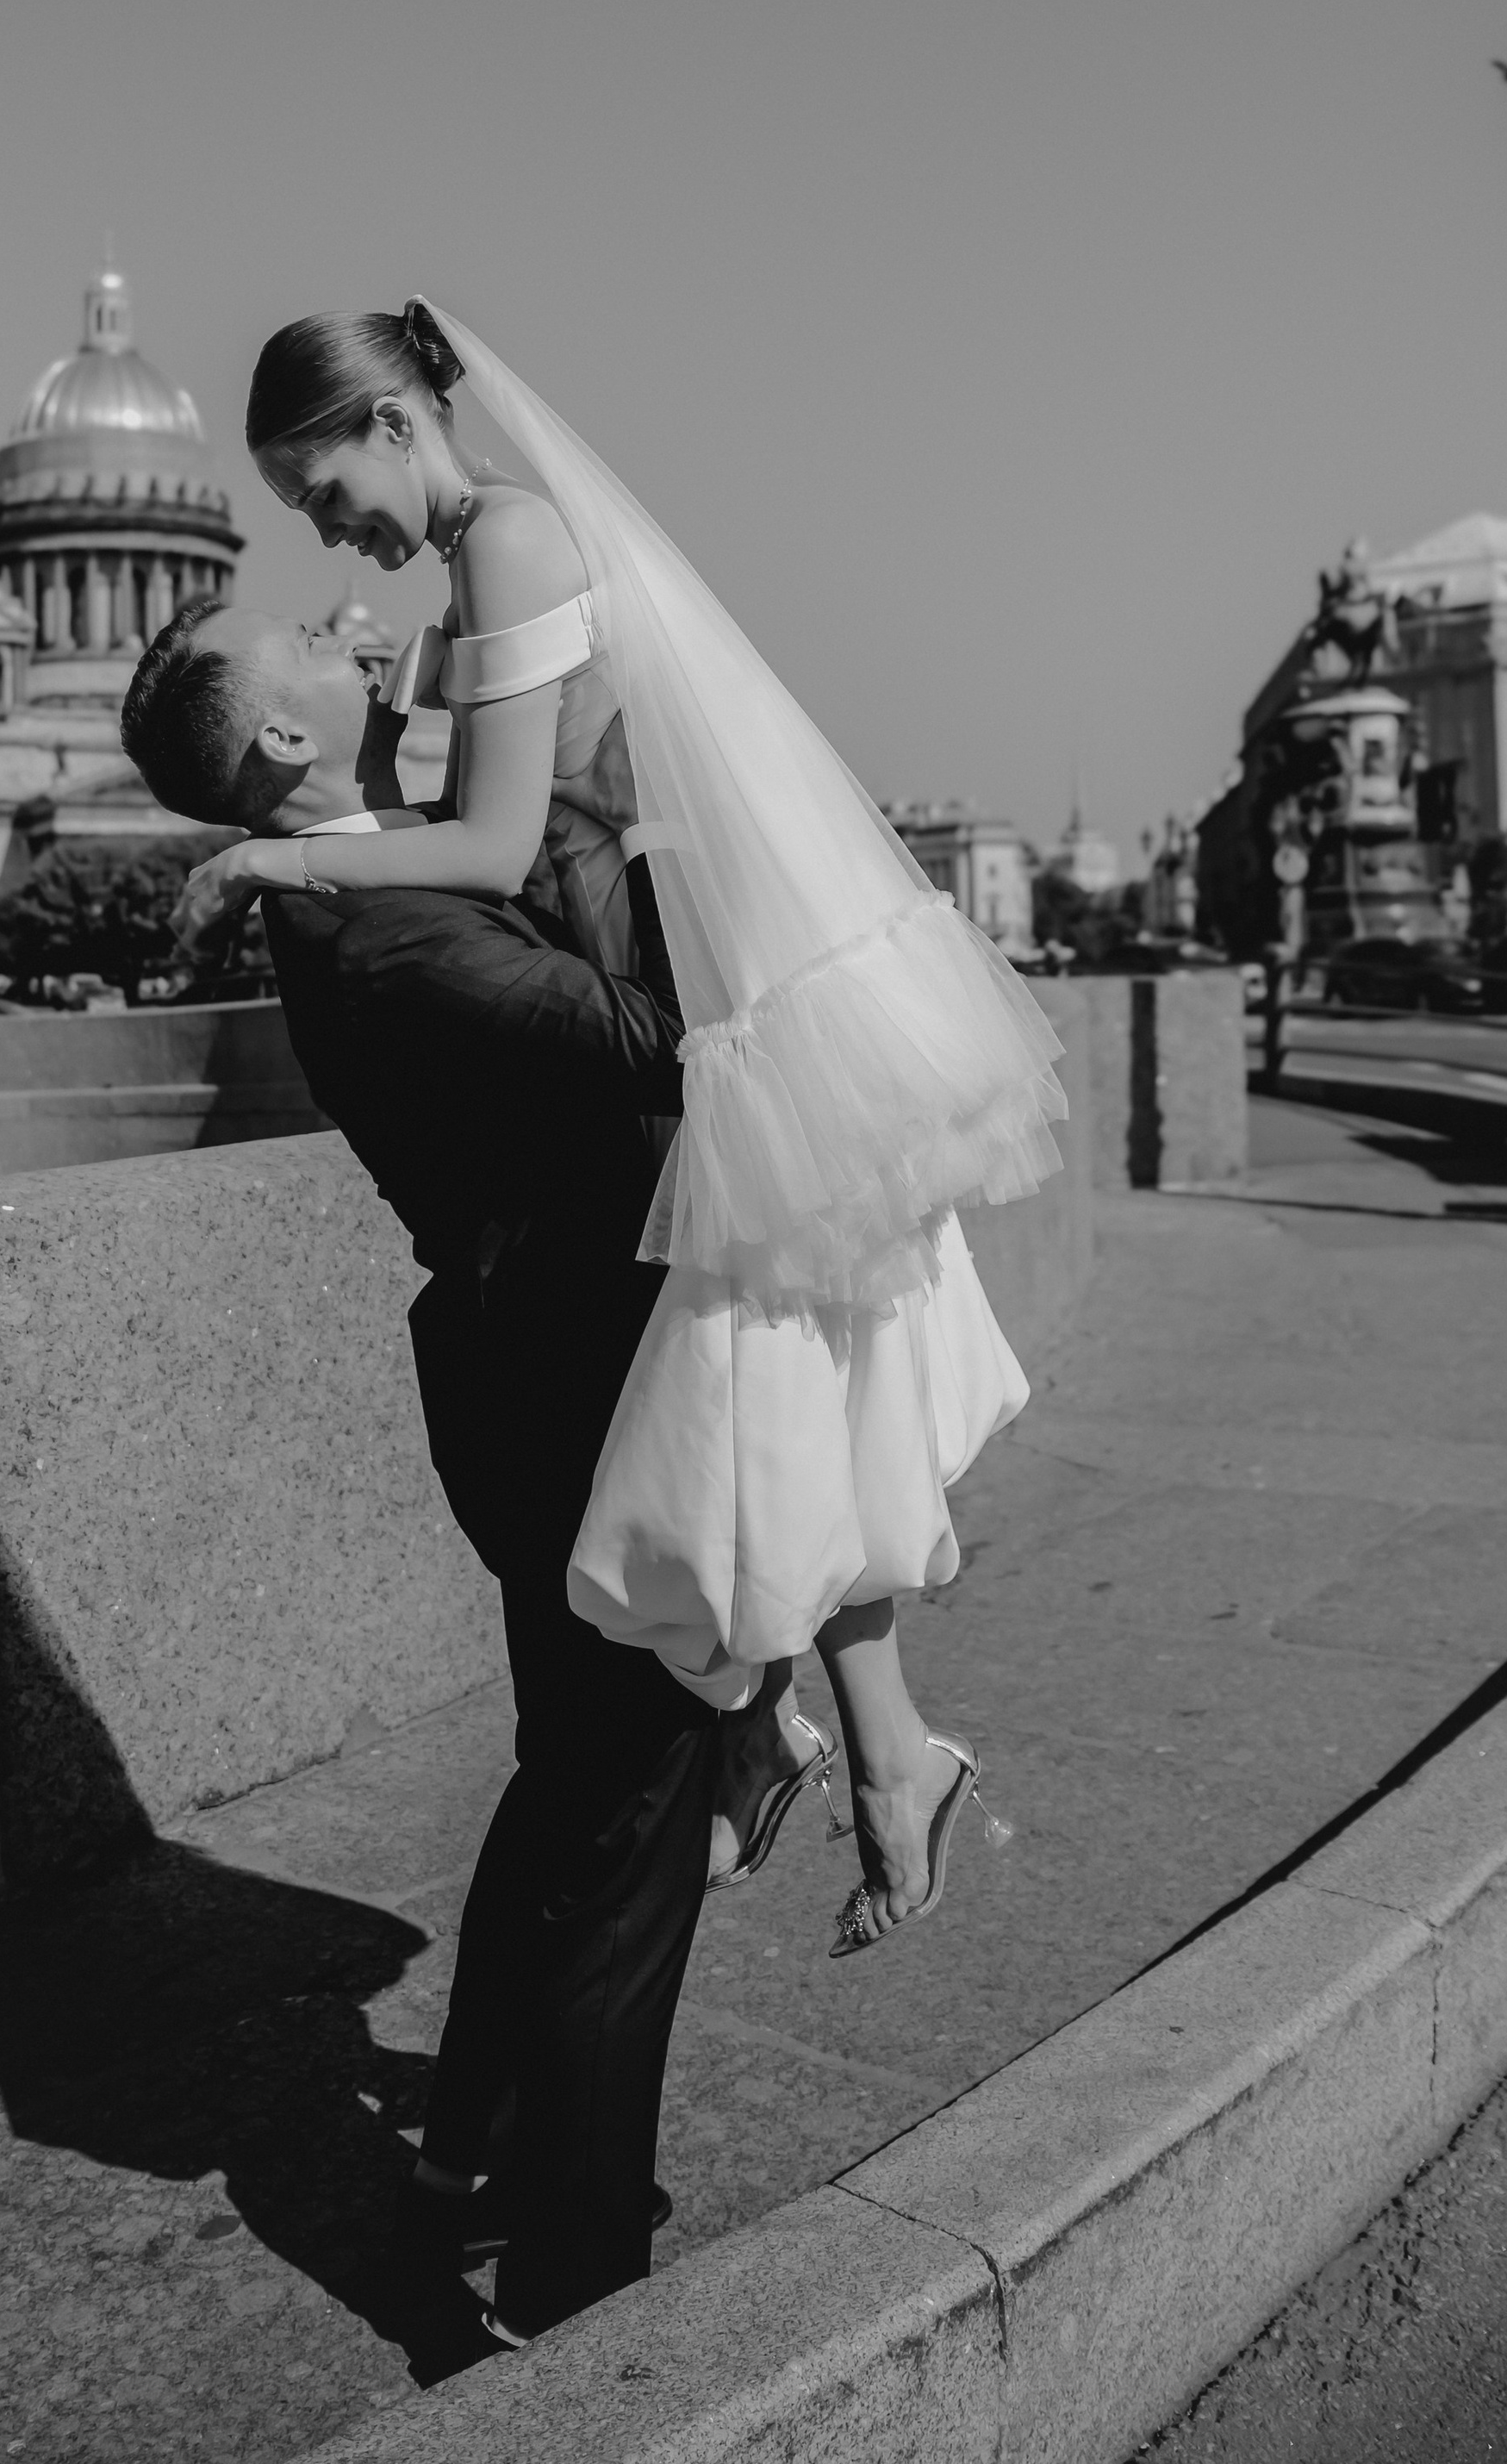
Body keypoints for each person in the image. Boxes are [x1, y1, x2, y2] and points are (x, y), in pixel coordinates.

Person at [173, 302, 1065, 1952]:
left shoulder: (506, 540)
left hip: (682, 995)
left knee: (759, 1366)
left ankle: (818, 1747)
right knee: (770, 1370)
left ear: (389, 419)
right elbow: (502, 831)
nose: (330, 538)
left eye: (322, 490)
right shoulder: (478, 559)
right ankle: (849, 1749)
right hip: (675, 985)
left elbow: (501, 843)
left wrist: (283, 860)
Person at [121, 608, 713, 2353]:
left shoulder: (376, 868)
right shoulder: (373, 918)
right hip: (561, 1375)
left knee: (573, 1777)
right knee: (625, 1815)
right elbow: (654, 1033)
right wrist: (616, 787)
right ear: (283, 745)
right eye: (311, 639)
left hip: (536, 1362)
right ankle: (573, 2272)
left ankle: (468, 2145)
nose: (356, 628)